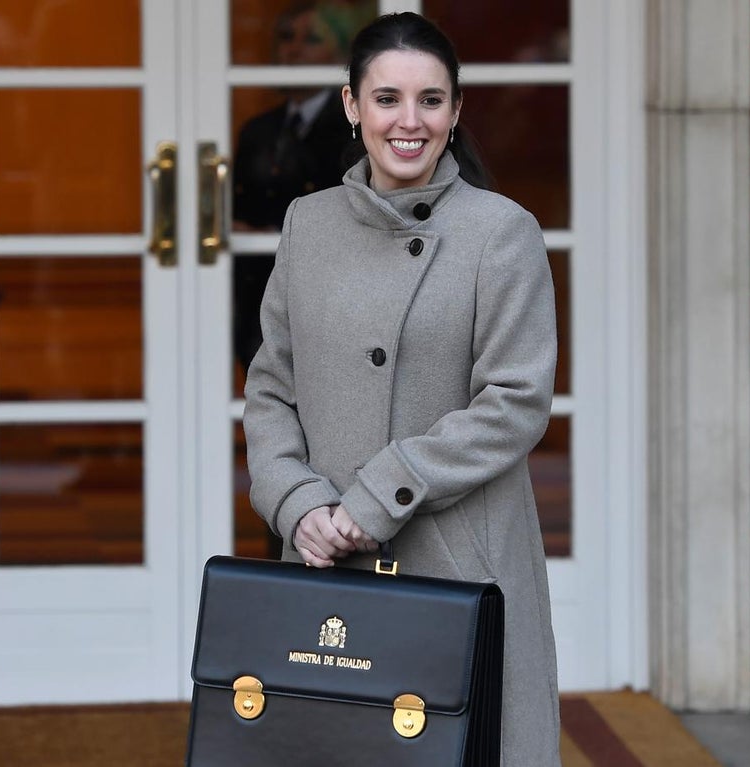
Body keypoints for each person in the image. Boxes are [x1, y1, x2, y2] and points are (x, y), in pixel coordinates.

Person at [242, 11, 561, 765]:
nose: (408, 121)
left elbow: (515, 399)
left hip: (455, 560)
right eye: (387, 99)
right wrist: (297, 503)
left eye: (430, 100)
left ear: (457, 111)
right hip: (325, 560)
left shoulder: (501, 231)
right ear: (352, 105)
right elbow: (270, 386)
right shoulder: (308, 224)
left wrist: (377, 494)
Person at [231, 1, 364, 370]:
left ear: (339, 54)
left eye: (311, 39)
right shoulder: (258, 130)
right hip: (260, 290)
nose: (293, 49)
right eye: (286, 37)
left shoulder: (356, 131)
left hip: (330, 295)